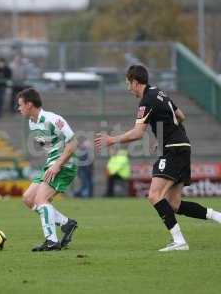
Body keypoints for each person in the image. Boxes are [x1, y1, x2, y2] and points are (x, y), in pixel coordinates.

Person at [94, 65, 221, 252]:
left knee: (154, 195)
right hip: (183, 146)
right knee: (174, 204)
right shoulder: (159, 92)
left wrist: (113, 139)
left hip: (173, 150)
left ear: (136, 83)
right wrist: (161, 137)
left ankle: (179, 241)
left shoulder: (147, 100)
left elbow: (138, 133)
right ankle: (218, 217)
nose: (128, 88)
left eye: (128, 84)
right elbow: (181, 115)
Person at [17, 88, 78, 251]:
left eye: (20, 104)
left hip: (65, 165)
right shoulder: (32, 123)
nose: (18, 108)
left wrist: (58, 165)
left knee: (40, 200)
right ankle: (67, 223)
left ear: (29, 104)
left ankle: (51, 241)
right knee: (28, 199)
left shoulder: (53, 119)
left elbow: (73, 143)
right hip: (51, 164)